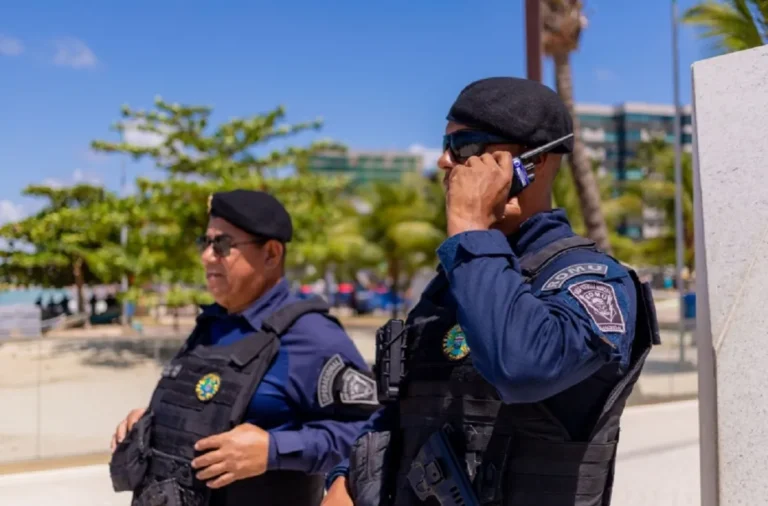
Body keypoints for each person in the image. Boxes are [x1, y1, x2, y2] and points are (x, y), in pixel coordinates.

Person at [322, 77, 660, 506]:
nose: (445, 162)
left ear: (529, 165)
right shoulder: (461, 273)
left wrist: (470, 227)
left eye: (463, 147)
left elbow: (521, 367)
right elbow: (404, 406)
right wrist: (343, 479)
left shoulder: (590, 279)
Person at [109, 189, 380, 506]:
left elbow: (372, 433)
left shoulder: (311, 336)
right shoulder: (212, 325)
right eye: (205, 242)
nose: (207, 256)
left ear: (271, 254)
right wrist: (153, 422)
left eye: (223, 245)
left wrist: (273, 450)